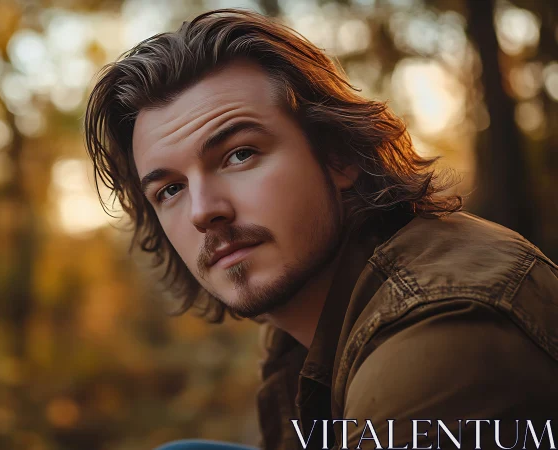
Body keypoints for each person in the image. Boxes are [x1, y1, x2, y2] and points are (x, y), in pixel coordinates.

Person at [84, 9, 558, 450]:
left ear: (339, 154)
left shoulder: (444, 331)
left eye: (239, 154)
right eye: (169, 189)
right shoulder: (304, 320)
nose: (203, 211)